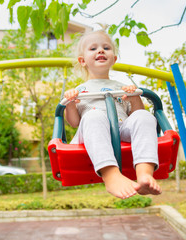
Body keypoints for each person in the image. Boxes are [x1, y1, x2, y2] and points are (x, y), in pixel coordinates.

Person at [64, 30, 162, 199]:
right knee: (95, 115)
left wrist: (134, 97)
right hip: (92, 133)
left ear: (114, 59)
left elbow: (136, 115)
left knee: (146, 117)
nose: (100, 51)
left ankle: (144, 172)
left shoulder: (121, 86)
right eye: (93, 48)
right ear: (82, 61)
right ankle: (111, 175)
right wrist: (70, 103)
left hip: (122, 128)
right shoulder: (79, 90)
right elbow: (74, 123)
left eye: (106, 48)